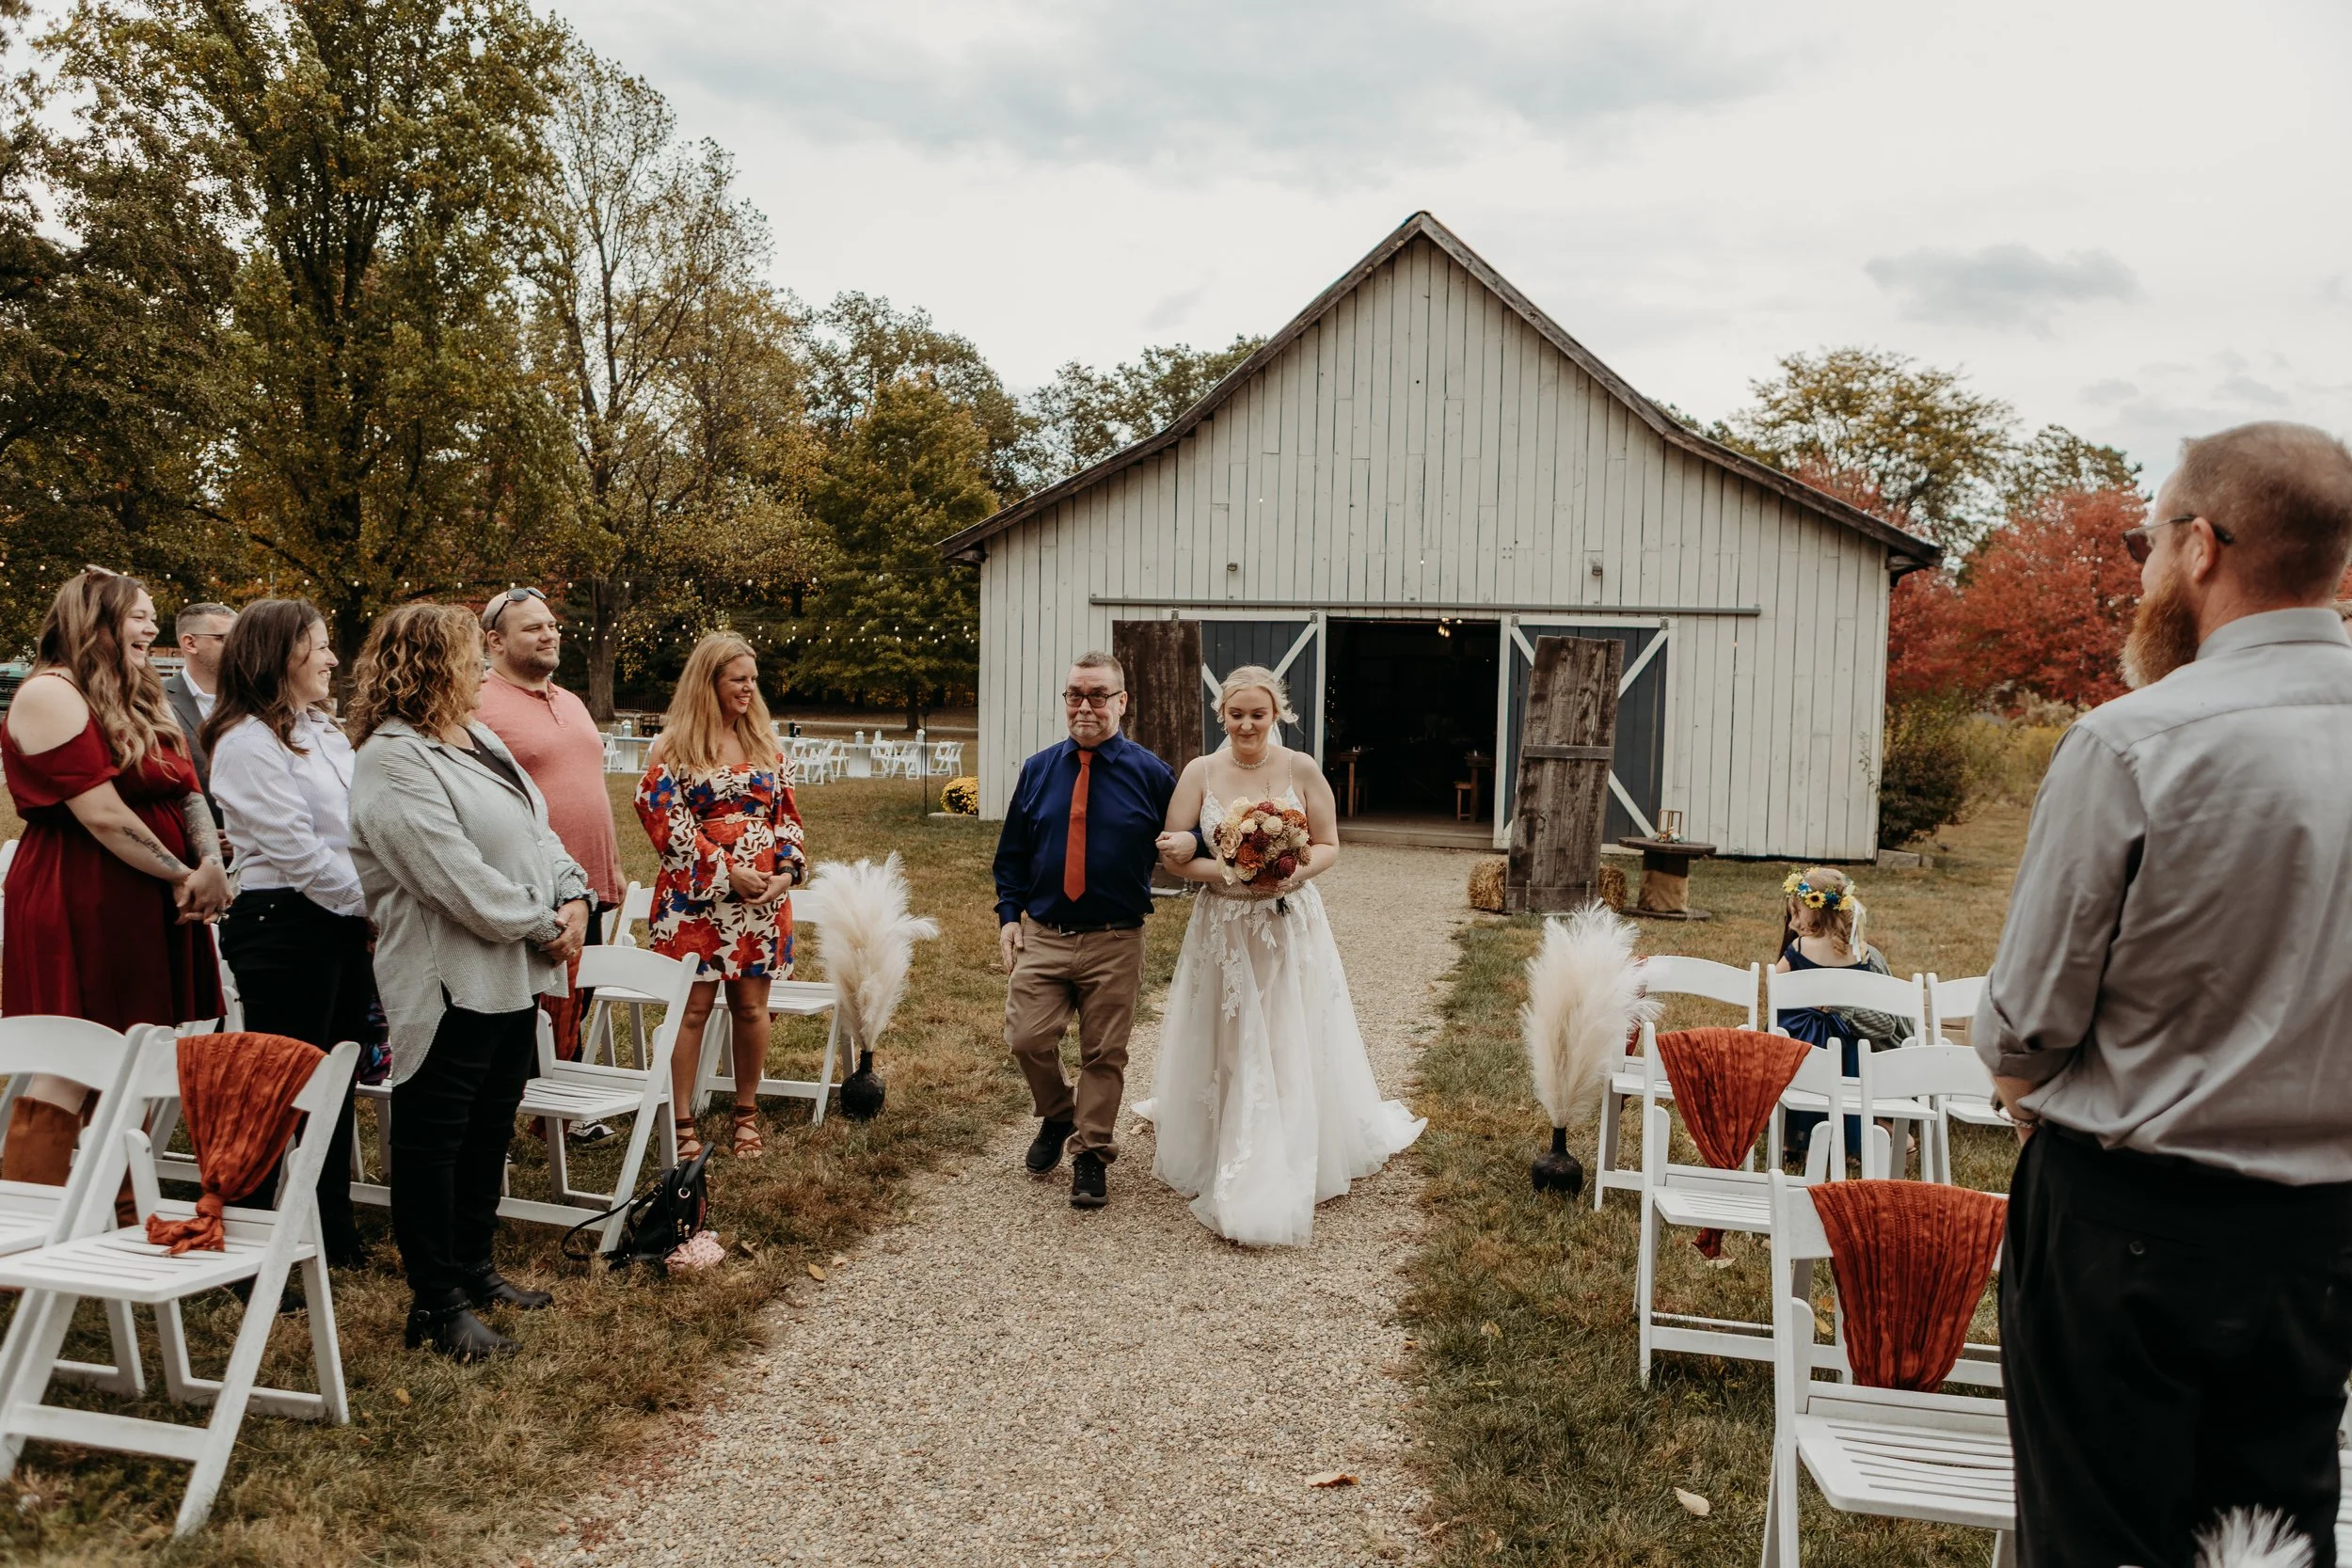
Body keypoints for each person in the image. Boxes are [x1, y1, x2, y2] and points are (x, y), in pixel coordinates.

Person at [1977, 421, 2352, 1567]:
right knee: (2269, 1542)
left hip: (2123, 1232)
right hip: (2321, 1238)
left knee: (2097, 1544)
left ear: (2200, 548)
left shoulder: (2130, 742)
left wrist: (2015, 1075)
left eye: (2147, 540)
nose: (2142, 569)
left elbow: (2027, 1019)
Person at [347, 604, 592, 1363]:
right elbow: (452, 875)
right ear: (427, 664)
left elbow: (535, 825)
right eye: (468, 657)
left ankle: (478, 1268)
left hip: (512, 971)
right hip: (447, 975)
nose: (483, 671)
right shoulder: (392, 758)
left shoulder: (478, 736)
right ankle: (437, 1301)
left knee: (491, 1124)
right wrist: (543, 922)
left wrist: (574, 890)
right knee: (435, 1137)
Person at [1140, 665, 1422, 1244]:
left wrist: (1287, 877)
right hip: (1223, 921)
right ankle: (1225, 1136)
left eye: (1258, 714)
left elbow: (1329, 845)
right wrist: (1233, 874)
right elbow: (1172, 856)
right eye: (1236, 713)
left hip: (1290, 921)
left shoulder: (1300, 768)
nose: (1247, 723)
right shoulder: (1200, 772)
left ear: (1276, 715)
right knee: (1228, 1025)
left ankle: (1292, 1138)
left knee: (1286, 1025)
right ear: (1223, 715)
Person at [0, 568, 228, 1184]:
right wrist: (185, 874)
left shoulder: (142, 688)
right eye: (138, 615)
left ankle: (118, 1212)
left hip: (148, 892)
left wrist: (208, 862)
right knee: (73, 1056)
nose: (152, 626)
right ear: (92, 619)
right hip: (81, 890)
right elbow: (100, 814)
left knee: (133, 1052)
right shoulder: (51, 693)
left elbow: (188, 788)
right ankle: (20, 1240)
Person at [202, 598, 372, 1268]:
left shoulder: (324, 733)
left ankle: (330, 1233)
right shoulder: (246, 742)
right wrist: (373, 907)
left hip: (338, 920)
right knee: (279, 1088)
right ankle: (247, 1239)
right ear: (281, 655)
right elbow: (298, 854)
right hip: (282, 925)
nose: (333, 659)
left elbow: (354, 831)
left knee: (335, 1082)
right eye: (322, 646)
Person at [991, 652, 1175, 1211]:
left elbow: (1190, 838)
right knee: (1026, 1036)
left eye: (1098, 695)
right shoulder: (1039, 769)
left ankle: (1091, 1154)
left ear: (1122, 702)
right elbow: (1012, 857)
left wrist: (1192, 845)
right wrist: (1008, 917)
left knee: (1104, 1052)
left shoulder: (1152, 774)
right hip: (1045, 932)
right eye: (1075, 694)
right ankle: (1057, 1112)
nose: (1085, 706)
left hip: (1115, 939)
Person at [633, 634, 806, 1161]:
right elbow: (664, 822)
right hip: (696, 901)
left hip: (762, 904)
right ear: (709, 682)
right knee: (692, 1009)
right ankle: (682, 1121)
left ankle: (745, 1115)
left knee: (752, 1009)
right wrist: (727, 871)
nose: (749, 689)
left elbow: (789, 818)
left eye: (753, 680)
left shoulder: (767, 747)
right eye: (739, 679)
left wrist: (785, 870)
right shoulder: (672, 749)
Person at [475, 586, 623, 1088]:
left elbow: (590, 785)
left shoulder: (572, 701)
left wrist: (611, 865)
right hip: (529, 885)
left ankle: (561, 1107)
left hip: (589, 883)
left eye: (552, 625)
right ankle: (508, 1110)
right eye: (533, 628)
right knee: (522, 1008)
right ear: (495, 641)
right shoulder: (477, 704)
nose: (549, 634)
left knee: (577, 1001)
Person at [1771, 866, 1887, 1165]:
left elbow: (1777, 986)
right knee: (1841, 1080)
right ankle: (1843, 1144)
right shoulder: (1860, 953)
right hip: (1842, 1035)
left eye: (1797, 912)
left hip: (1801, 1033)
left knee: (1800, 1072)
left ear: (1813, 913)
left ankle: (1795, 1143)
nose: (1795, 921)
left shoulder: (1799, 948)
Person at [163, 601, 235, 814]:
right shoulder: (155, 701)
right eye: (225, 639)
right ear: (190, 643)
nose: (238, 647)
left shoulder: (258, 700)